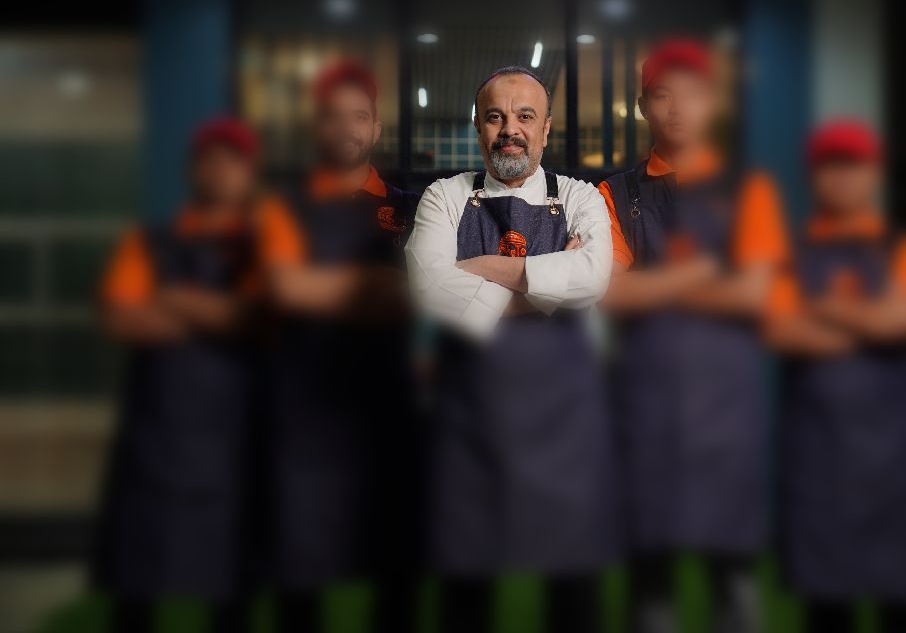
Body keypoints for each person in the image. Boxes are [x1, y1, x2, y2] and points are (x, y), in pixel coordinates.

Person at [404, 66, 616, 633]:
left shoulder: (581, 196)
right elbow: (428, 289)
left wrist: (479, 269)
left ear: (546, 129)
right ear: (478, 127)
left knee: (574, 595)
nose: (510, 130)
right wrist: (550, 288)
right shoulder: (444, 196)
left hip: (564, 424)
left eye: (526, 116)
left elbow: (593, 278)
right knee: (466, 592)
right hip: (470, 423)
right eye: (496, 117)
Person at [598, 39, 790, 633]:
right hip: (645, 408)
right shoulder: (612, 194)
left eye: (692, 94)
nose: (677, 108)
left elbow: (755, 295)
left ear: (713, 102)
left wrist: (656, 286)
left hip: (727, 413)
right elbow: (610, 295)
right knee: (649, 582)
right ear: (642, 106)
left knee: (734, 580)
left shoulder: (749, 191)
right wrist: (707, 271)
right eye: (662, 94)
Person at [256, 60, 421, 633]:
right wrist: (377, 284)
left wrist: (327, 289)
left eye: (360, 116)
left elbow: (426, 298)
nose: (347, 128)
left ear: (376, 128)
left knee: (396, 567)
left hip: (391, 412)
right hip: (307, 415)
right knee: (300, 567)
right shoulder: (281, 207)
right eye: (333, 116)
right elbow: (285, 289)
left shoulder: (414, 207)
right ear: (316, 127)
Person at [764, 119, 906, 633]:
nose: (842, 177)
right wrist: (873, 320)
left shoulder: (905, 249)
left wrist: (823, 307)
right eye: (830, 166)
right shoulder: (788, 254)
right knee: (827, 610)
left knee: (905, 608)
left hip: (898, 471)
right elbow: (782, 331)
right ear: (813, 176)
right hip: (819, 467)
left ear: (874, 174)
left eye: (854, 165)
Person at [92, 117, 262, 633]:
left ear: (249, 171)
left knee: (231, 586)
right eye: (209, 159)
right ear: (192, 169)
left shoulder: (265, 243)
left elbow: (260, 317)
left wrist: (173, 299)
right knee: (136, 583)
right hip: (154, 442)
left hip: (235, 442)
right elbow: (122, 319)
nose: (220, 170)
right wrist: (219, 316)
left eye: (232, 160)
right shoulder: (147, 241)